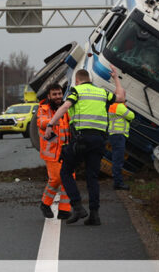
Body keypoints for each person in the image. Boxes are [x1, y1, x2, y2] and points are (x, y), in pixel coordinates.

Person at [45, 66, 125, 226]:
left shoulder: (76, 91)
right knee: (92, 177)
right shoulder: (102, 92)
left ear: (77, 80)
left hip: (81, 139)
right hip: (99, 140)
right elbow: (121, 98)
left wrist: (50, 124)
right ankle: (94, 215)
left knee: (66, 172)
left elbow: (66, 106)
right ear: (89, 79)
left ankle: (77, 206)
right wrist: (116, 78)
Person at [36, 84, 72, 219]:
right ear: (49, 96)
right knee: (56, 179)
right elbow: (41, 122)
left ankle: (64, 210)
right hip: (51, 152)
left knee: (69, 179)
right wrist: (53, 121)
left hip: (67, 150)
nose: (57, 97)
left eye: (59, 94)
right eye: (54, 94)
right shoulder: (43, 109)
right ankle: (45, 204)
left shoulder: (66, 108)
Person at [108, 102, 134, 190]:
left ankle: (117, 182)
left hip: (116, 135)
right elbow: (131, 116)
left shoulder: (115, 106)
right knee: (118, 160)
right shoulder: (119, 106)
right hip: (118, 135)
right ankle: (118, 183)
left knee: (117, 159)